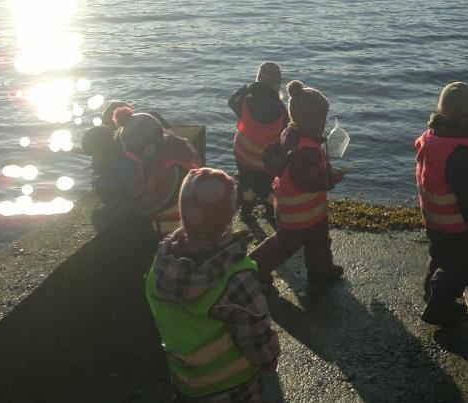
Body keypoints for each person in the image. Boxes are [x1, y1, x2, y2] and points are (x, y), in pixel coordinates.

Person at [147, 168, 280, 402]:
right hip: (234, 385)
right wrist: (269, 359)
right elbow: (255, 335)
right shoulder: (237, 277)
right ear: (229, 214)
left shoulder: (161, 265)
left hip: (186, 382)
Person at [249, 80, 345, 285]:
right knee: (285, 244)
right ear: (314, 121)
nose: (324, 122)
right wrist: (331, 177)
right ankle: (255, 267)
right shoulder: (307, 150)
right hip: (301, 213)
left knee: (318, 240)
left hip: (296, 207)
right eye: (322, 118)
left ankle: (322, 270)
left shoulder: (290, 134)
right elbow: (309, 180)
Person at [415, 82, 468, 327]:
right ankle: (439, 305)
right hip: (457, 224)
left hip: (433, 218)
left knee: (440, 256)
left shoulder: (429, 137)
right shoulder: (464, 152)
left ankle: (433, 294)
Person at [114, 106, 200, 236]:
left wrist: (135, 210)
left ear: (148, 148)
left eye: (136, 152)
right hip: (165, 231)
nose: (137, 157)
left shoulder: (173, 168)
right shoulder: (151, 162)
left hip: (183, 231)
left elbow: (163, 200)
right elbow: (144, 181)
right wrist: (131, 195)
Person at [229, 62, 288, 219]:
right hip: (266, 162)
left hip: (244, 155)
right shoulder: (282, 111)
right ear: (277, 85)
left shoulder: (244, 102)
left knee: (245, 184)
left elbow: (232, 100)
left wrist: (248, 88)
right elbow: (285, 136)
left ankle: (246, 211)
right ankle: (270, 211)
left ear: (257, 81)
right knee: (269, 187)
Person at [80, 124, 138, 210]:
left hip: (135, 202)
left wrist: (97, 178)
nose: (93, 158)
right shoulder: (122, 154)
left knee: (99, 217)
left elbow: (104, 184)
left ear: (104, 149)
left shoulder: (120, 167)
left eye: (94, 154)